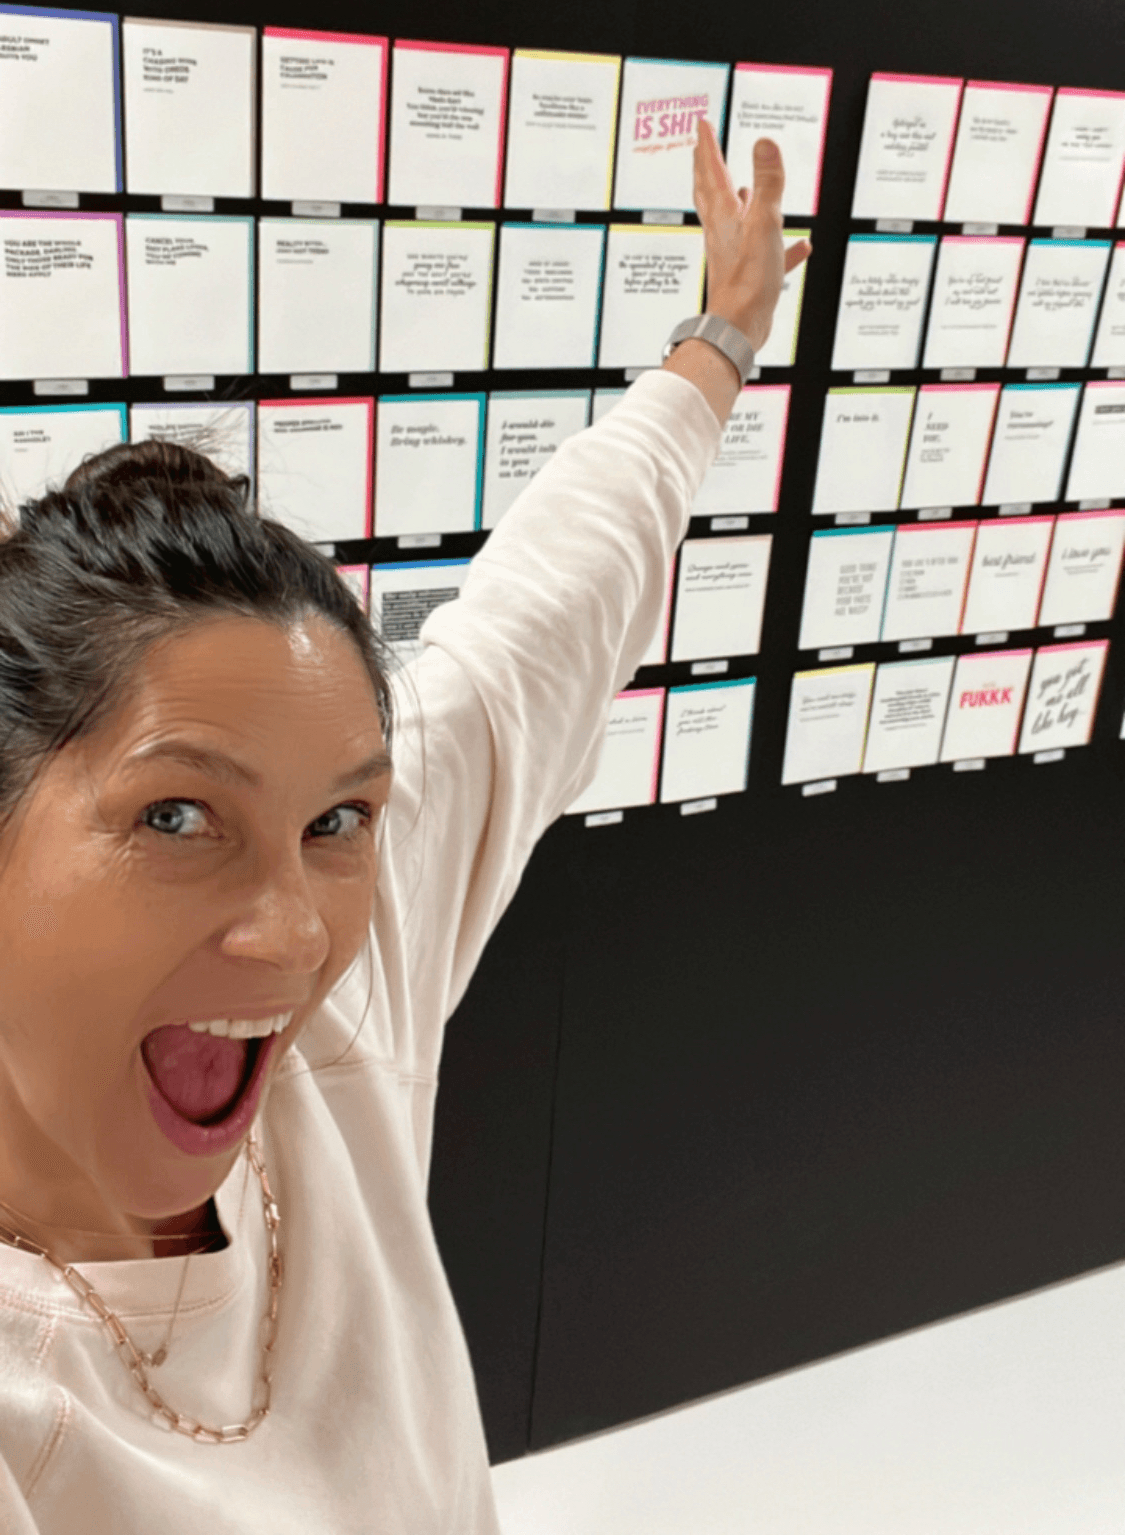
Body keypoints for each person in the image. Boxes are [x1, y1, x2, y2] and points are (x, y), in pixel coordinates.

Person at [0, 122, 809, 1531]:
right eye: (178, 814)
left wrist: (719, 341)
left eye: (338, 818)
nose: (292, 933)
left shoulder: (340, 1012)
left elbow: (541, 620)